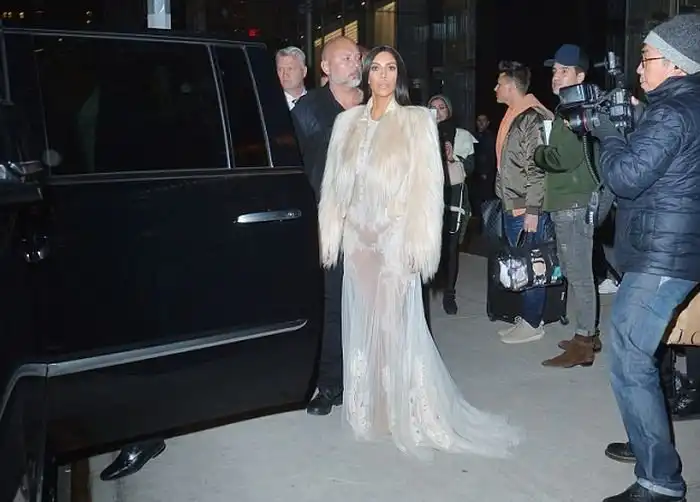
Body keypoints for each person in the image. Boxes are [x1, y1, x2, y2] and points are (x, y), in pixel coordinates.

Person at [317, 45, 520, 459]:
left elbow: (428, 190)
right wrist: (334, 233)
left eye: (391, 68)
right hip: (357, 242)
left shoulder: (416, 121)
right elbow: (334, 185)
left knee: (396, 325)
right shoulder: (346, 123)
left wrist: (419, 243)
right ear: (366, 74)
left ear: (400, 75)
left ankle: (406, 408)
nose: (383, 75)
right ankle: (372, 408)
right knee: (362, 324)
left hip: (394, 240)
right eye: (376, 68)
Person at [587, 13, 700, 502]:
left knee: (630, 358)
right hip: (669, 247)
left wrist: (608, 133)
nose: (639, 68)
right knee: (639, 352)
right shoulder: (682, 106)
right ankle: (646, 441)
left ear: (675, 65)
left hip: (663, 255)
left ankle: (660, 482)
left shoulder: (673, 112)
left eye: (646, 58)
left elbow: (626, 177)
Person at [291, 36, 363, 416]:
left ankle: (369, 379)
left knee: (372, 303)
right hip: (330, 222)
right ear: (325, 67)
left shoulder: (376, 103)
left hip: (374, 223)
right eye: (345, 58)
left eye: (356, 57)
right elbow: (296, 168)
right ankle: (331, 383)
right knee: (332, 303)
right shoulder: (309, 109)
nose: (354, 63)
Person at [534, 44, 601, 368]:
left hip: (573, 202)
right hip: (573, 200)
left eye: (564, 71)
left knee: (578, 273)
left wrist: (539, 152)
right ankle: (588, 333)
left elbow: (565, 157)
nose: (556, 76)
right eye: (554, 71)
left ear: (580, 76)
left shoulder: (574, 110)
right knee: (578, 271)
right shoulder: (573, 107)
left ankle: (584, 342)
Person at [493, 61, 554, 345]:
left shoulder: (531, 117)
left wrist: (533, 209)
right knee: (521, 262)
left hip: (526, 207)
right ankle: (527, 317)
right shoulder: (515, 115)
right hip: (513, 203)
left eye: (499, 83)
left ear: (510, 86)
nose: (495, 88)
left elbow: (538, 168)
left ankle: (532, 323)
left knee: (532, 263)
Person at [427, 93, 478, 315]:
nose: (438, 112)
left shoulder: (462, 135)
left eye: (442, 107)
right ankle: (426, 289)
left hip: (453, 195)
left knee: (450, 246)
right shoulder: (421, 132)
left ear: (449, 111)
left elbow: (472, 167)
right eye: (433, 107)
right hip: (427, 195)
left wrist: (451, 157)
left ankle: (449, 294)